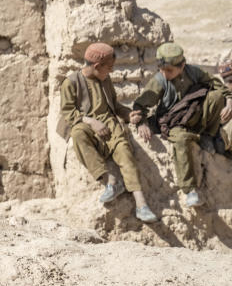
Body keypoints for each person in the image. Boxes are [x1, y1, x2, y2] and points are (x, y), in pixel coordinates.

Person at [59, 43, 157, 223]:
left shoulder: (104, 81)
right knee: (78, 134)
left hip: (109, 125)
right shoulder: (71, 82)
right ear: (97, 66)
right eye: (109, 68)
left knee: (124, 152)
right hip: (85, 124)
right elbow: (67, 112)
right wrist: (90, 121)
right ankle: (110, 180)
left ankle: (141, 204)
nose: (110, 72)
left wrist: (129, 115)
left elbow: (115, 105)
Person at [130, 42, 232, 207]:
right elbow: (139, 105)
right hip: (173, 122)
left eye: (169, 70)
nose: (165, 73)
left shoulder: (193, 72)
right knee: (181, 140)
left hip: (196, 115)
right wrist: (141, 122)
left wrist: (229, 102)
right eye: (162, 69)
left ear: (182, 65)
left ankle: (208, 136)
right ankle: (189, 189)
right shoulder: (159, 81)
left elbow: (219, 86)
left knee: (216, 97)